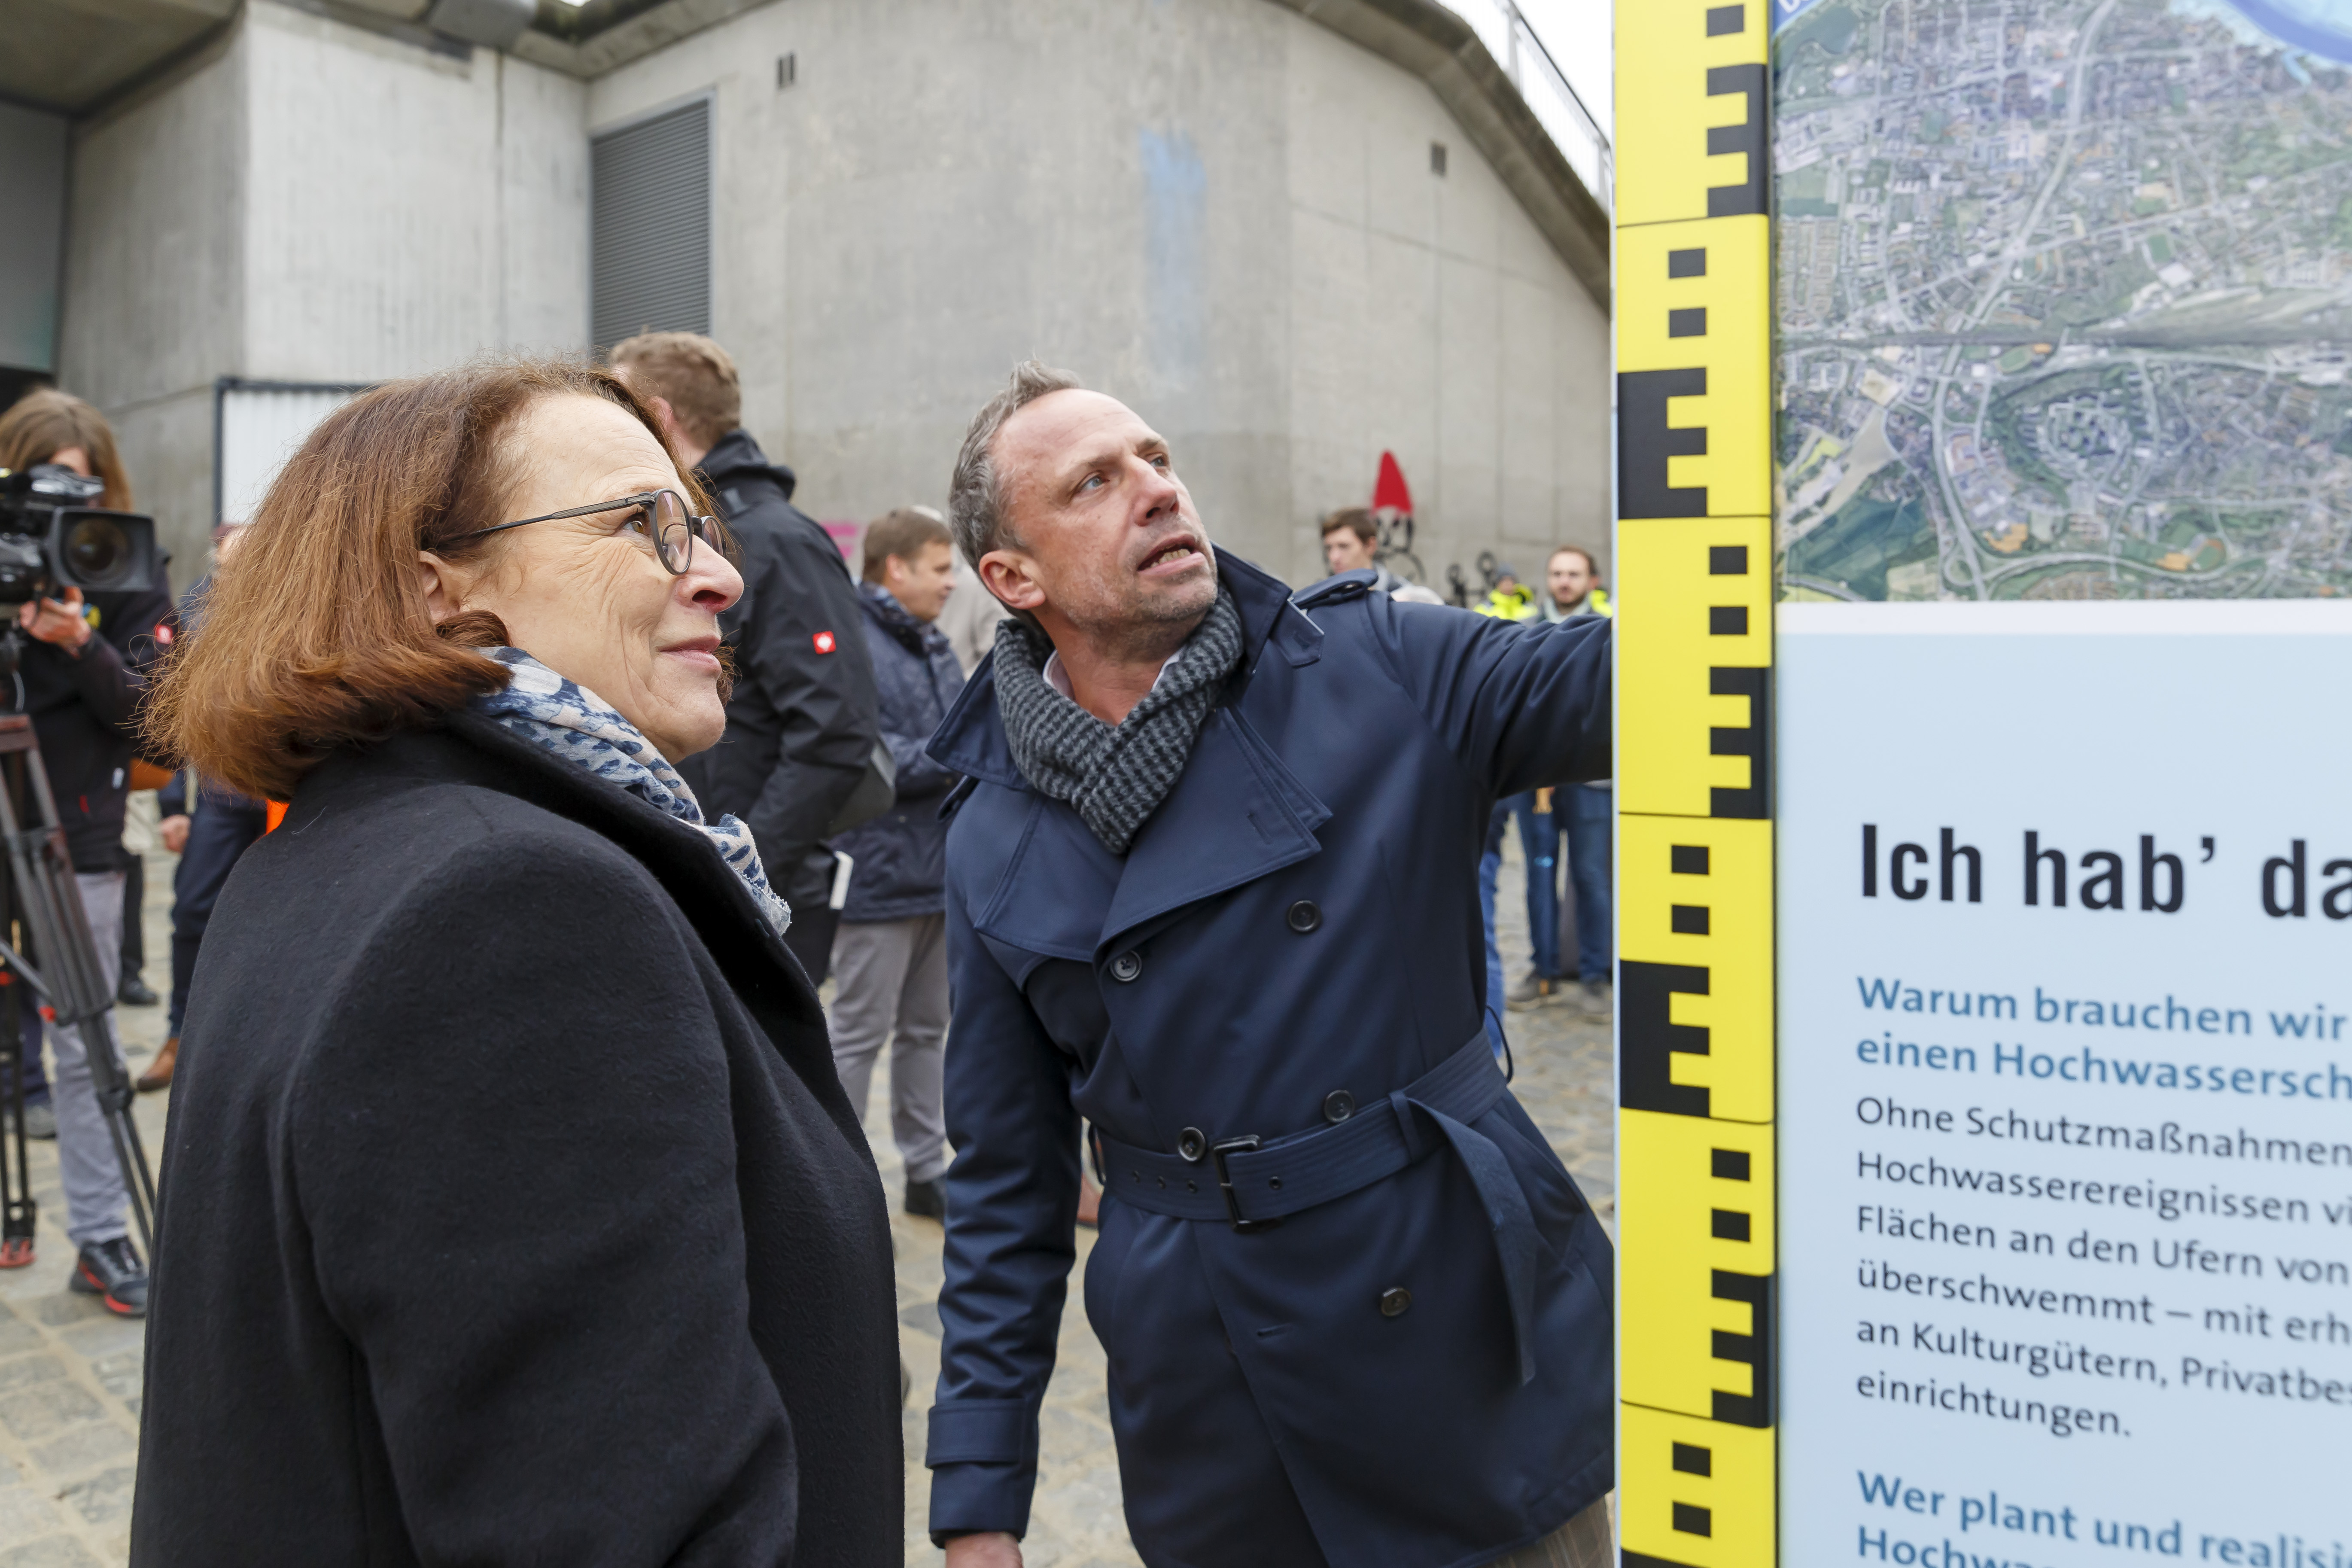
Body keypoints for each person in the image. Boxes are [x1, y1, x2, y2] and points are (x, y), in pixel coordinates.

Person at [130, 361, 901, 1564]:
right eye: (640, 523)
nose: (720, 572)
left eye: (697, 521)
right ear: (438, 588)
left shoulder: (348, 848)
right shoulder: (519, 907)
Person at [925, 363, 1615, 1568]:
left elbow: (1642, 679)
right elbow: (1002, 1184)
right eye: (1094, 481)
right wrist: (979, 1496)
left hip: (1451, 1336)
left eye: (1154, 458)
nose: (1153, 490)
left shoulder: (1376, 664)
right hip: (1213, 1388)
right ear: (1012, 578)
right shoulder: (990, 831)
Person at [611, 331, 882, 986]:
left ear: (659, 417)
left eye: (617, 407)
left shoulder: (779, 541)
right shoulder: (688, 533)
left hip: (758, 901)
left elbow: (836, 730)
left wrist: (739, 866)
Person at [0, 389, 176, 1315]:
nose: (64, 503)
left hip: (77, 831)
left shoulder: (119, 565)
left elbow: (160, 723)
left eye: (81, 483)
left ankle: (102, 1235)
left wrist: (77, 642)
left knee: (86, 1036)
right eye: (43, 483)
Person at [830, 507, 966, 1219]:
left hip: (937, 872)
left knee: (925, 1031)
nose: (953, 583)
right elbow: (864, 751)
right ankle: (838, 1177)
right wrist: (957, 758)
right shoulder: (854, 640)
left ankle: (924, 1169)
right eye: (941, 569)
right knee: (858, 1031)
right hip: (880, 869)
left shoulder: (931, 642)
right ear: (896, 569)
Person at [139, 525, 266, 1094]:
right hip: (220, 793)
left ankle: (255, 1042)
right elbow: (168, 713)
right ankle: (178, 1035)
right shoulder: (191, 610)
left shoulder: (295, 600)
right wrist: (172, 804)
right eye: (226, 569)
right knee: (192, 909)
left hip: (286, 794)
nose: (235, 580)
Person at [1508, 546, 1615, 1016]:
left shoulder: (1612, 632)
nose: (1564, 581)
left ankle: (1595, 976)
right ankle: (1543, 971)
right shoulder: (1523, 630)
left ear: (1591, 580)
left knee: (1592, 878)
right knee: (1539, 876)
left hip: (1593, 782)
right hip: (1537, 782)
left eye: (1573, 573)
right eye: (1556, 573)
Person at [1317, 507, 1406, 592]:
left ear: (1371, 546)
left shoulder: (1402, 596)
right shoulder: (1320, 598)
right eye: (1329, 548)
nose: (1334, 558)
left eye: (1344, 546)